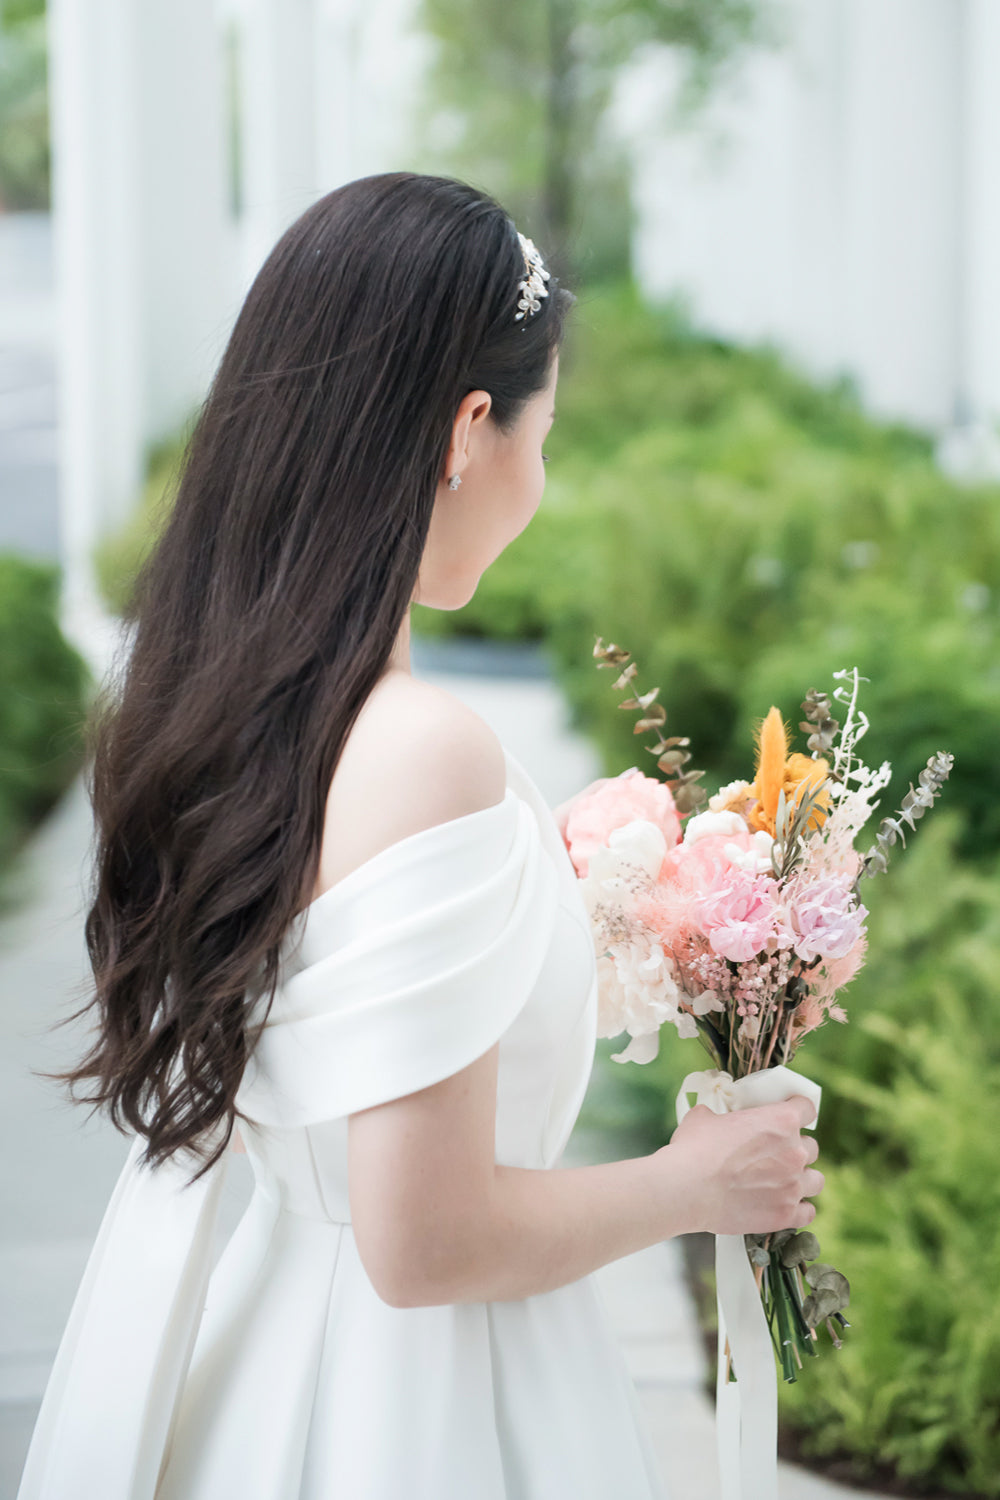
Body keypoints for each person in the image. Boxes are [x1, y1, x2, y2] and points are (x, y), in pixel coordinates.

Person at [17, 171, 822, 1500]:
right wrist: (700, 1182)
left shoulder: (223, 703)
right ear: (466, 430)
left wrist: (536, 891)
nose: (541, 479)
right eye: (541, 432)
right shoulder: (422, 744)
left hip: (265, 1349)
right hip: (410, 1404)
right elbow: (427, 1240)